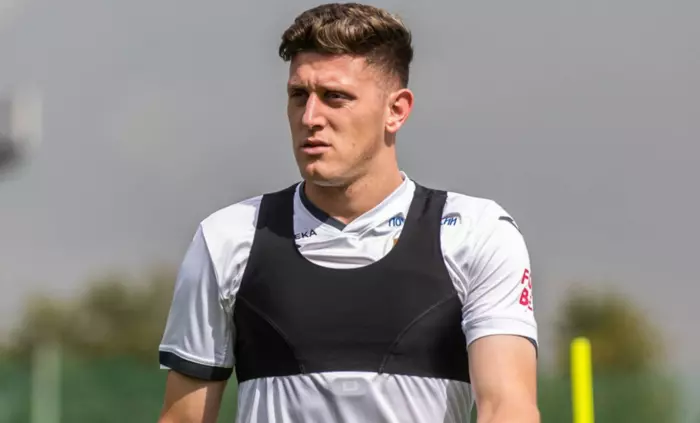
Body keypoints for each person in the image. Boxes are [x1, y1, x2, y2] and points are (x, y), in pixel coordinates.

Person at [157, 3, 539, 423]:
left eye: (335, 97)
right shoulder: (228, 237)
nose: (310, 117)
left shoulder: (475, 232)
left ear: (396, 110)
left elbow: (508, 407)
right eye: (298, 95)